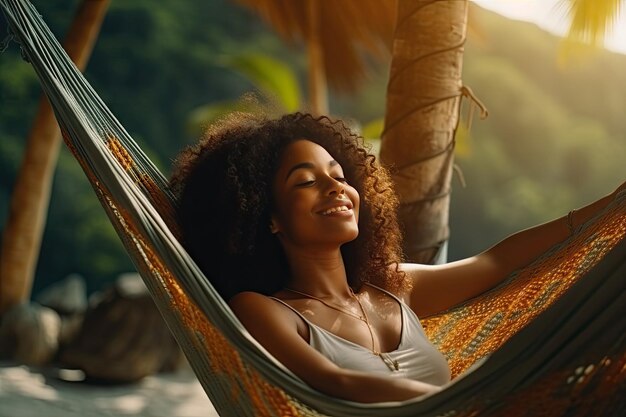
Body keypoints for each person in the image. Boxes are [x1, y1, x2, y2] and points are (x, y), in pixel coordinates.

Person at [170, 112, 623, 403]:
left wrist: (608, 208)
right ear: (268, 219)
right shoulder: (263, 309)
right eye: (306, 182)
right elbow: (337, 383)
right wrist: (461, 403)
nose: (336, 189)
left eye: (339, 175)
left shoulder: (392, 287)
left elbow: (498, 264)